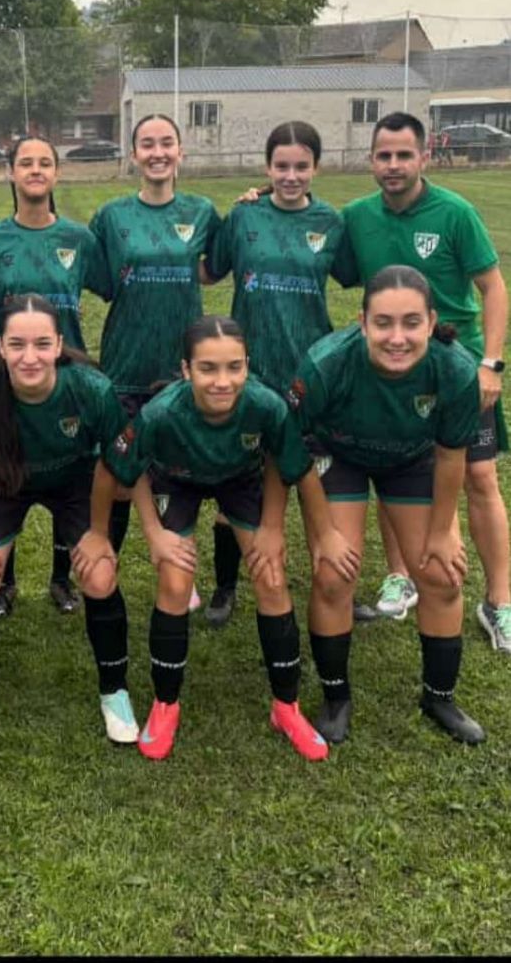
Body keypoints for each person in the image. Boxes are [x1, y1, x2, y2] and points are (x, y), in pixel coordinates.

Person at [90, 315, 347, 763]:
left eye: (234, 367)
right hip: (176, 481)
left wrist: (274, 528)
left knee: (271, 578)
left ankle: (286, 708)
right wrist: (152, 533)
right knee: (175, 581)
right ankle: (166, 704)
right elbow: (116, 470)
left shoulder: (266, 406)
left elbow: (291, 465)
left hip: (240, 480)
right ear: (186, 370)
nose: (222, 381)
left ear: (248, 365)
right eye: (208, 368)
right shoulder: (161, 413)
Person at [289, 265, 486, 744]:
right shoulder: (325, 364)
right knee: (334, 574)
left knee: (441, 575)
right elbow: (292, 449)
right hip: (337, 455)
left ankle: (439, 697)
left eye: (411, 322)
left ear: (431, 321)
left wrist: (442, 532)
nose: (397, 338)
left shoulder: (457, 370)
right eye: (383, 323)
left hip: (411, 460)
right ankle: (336, 697)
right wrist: (324, 533)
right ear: (362, 322)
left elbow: (451, 456)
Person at [337, 112, 509, 653]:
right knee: (393, 462)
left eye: (404, 155)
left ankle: (499, 601)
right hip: (389, 367)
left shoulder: (454, 212)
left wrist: (491, 364)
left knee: (479, 476)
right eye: (384, 155)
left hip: (459, 367)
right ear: (371, 160)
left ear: (424, 157)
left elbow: (493, 287)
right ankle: (400, 575)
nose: (393, 165)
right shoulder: (357, 217)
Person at [0, 294, 137, 746]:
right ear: (0, 346)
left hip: (73, 483)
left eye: (41, 344)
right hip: (1, 482)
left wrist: (98, 533)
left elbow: (112, 464)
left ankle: (115, 691)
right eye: (16, 344)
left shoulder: (90, 388)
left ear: (59, 345)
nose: (29, 357)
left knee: (100, 577)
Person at [205, 121, 352, 627]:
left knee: (315, 480)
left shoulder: (331, 222)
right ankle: (226, 586)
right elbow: (211, 268)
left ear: (316, 168)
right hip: (249, 368)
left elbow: (356, 274)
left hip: (311, 370)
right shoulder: (243, 215)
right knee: (239, 478)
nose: (291, 176)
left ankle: (332, 578)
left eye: (301, 166)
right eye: (281, 166)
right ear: (267, 168)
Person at [88, 113, 222, 613]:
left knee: (175, 470)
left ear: (180, 152)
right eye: (148, 144)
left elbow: (213, 269)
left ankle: (180, 570)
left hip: (181, 366)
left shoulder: (202, 211)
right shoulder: (111, 216)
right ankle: (107, 562)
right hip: (126, 361)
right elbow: (100, 279)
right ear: (134, 154)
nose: (158, 152)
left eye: (167, 142)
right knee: (122, 475)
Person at [0, 135, 108, 617]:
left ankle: (60, 578)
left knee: (67, 470)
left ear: (56, 173)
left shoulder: (79, 239)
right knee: (7, 468)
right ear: (10, 172)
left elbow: (108, 285)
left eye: (45, 163)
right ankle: (4, 581)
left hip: (65, 378)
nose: (35, 170)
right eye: (25, 163)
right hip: (9, 377)